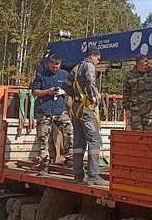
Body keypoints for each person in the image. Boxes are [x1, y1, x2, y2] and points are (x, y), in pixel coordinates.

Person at [65, 45, 105, 185]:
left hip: (76, 108)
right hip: (86, 109)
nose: (98, 62)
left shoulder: (75, 69)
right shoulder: (89, 67)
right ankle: (93, 175)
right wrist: (93, 97)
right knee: (94, 141)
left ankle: (78, 175)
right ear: (92, 56)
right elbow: (90, 81)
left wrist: (76, 95)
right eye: (98, 59)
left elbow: (65, 85)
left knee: (78, 142)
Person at [31, 54, 73, 173]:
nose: (54, 69)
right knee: (43, 139)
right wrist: (47, 91)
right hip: (44, 111)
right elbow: (35, 92)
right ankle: (44, 165)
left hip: (60, 110)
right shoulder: (41, 75)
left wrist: (63, 92)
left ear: (59, 64)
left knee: (69, 130)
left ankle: (69, 157)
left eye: (56, 67)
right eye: (52, 67)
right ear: (49, 64)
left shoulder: (64, 74)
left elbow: (71, 90)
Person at [122, 54, 152, 132]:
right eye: (144, 65)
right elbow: (126, 92)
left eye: (147, 64)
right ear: (138, 64)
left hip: (150, 110)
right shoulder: (129, 75)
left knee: (150, 137)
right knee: (136, 136)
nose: (146, 66)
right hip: (135, 111)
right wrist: (126, 109)